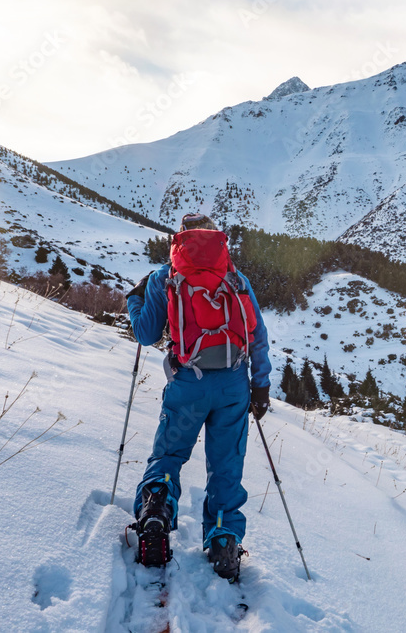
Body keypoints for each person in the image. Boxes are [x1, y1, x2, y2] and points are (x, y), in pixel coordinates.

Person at [125, 213, 271, 581]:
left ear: (179, 242)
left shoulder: (164, 278)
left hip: (187, 383)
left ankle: (155, 511)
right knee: (226, 466)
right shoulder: (235, 278)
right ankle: (223, 540)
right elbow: (257, 335)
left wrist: (135, 298)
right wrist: (261, 386)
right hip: (233, 386)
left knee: (169, 454)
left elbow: (144, 334)